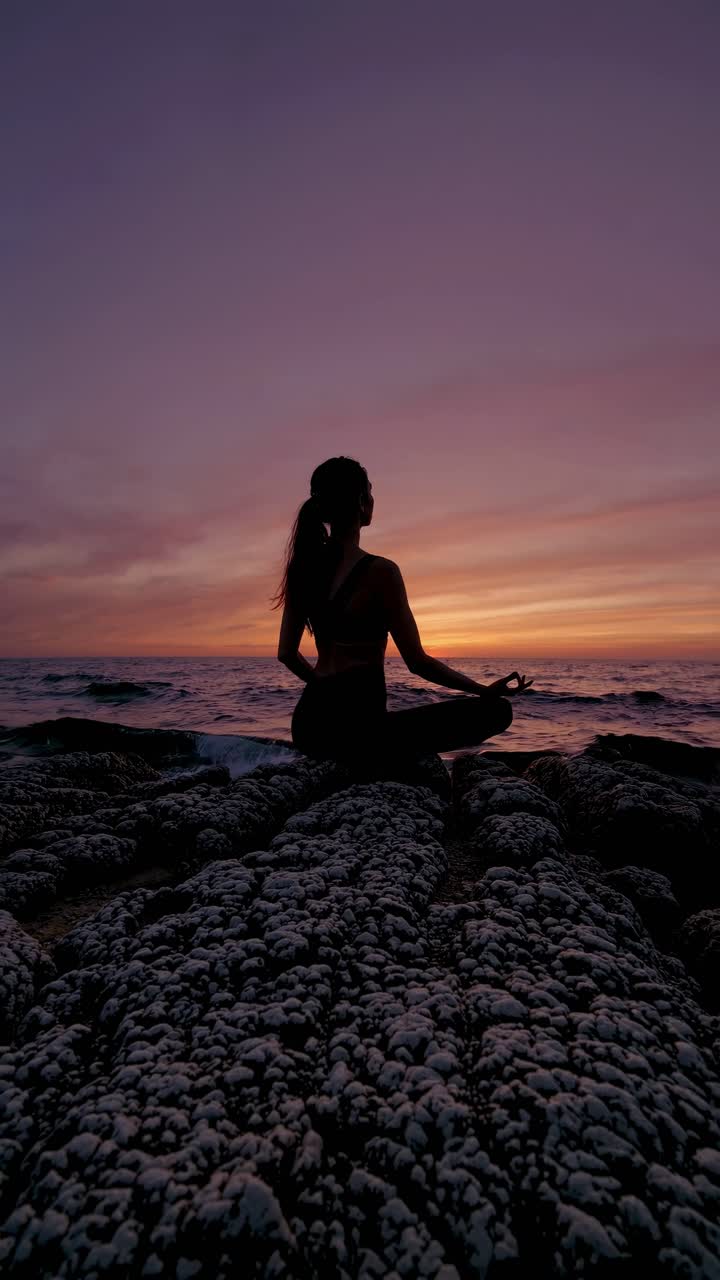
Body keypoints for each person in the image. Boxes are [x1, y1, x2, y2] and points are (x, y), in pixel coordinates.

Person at [273, 456, 533, 768]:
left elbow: (287, 653)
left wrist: (324, 688)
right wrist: (482, 690)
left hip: (310, 728)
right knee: (497, 711)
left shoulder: (304, 568)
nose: (372, 499)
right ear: (360, 502)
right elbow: (417, 662)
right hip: (361, 732)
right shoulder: (381, 571)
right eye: (369, 492)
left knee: (381, 729)